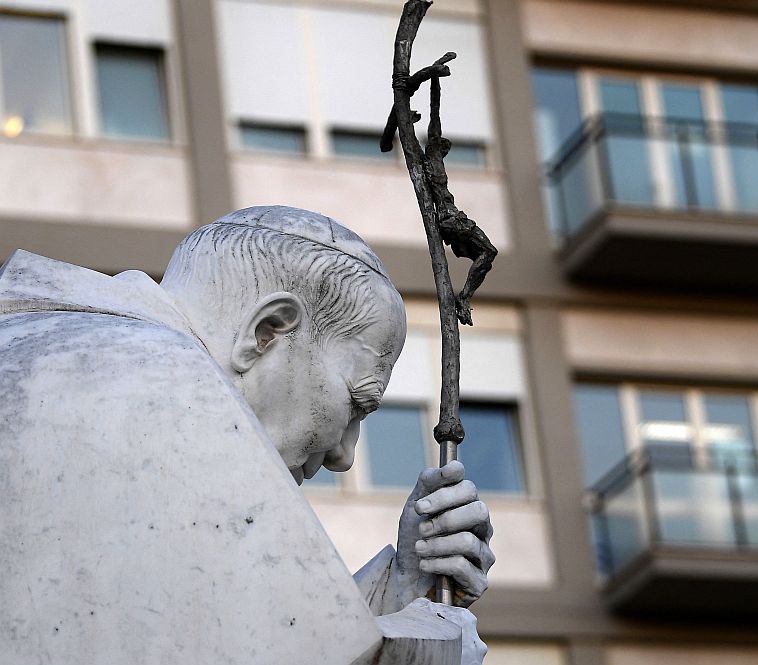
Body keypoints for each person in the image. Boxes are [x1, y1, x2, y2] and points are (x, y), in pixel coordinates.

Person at [0, 206, 492, 664]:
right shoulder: (135, 391)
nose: (344, 455)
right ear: (268, 332)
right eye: (356, 404)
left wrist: (403, 587)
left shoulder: (57, 362)